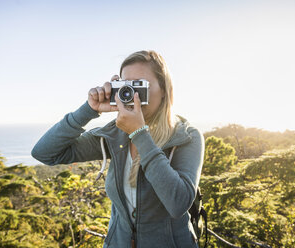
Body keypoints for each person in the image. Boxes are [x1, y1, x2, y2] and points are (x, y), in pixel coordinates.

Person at [31, 50, 204, 248]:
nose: (131, 94)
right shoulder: (113, 135)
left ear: (164, 89)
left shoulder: (186, 136)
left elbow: (178, 203)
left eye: (139, 85)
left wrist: (139, 133)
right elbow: (45, 153)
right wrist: (89, 109)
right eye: (125, 86)